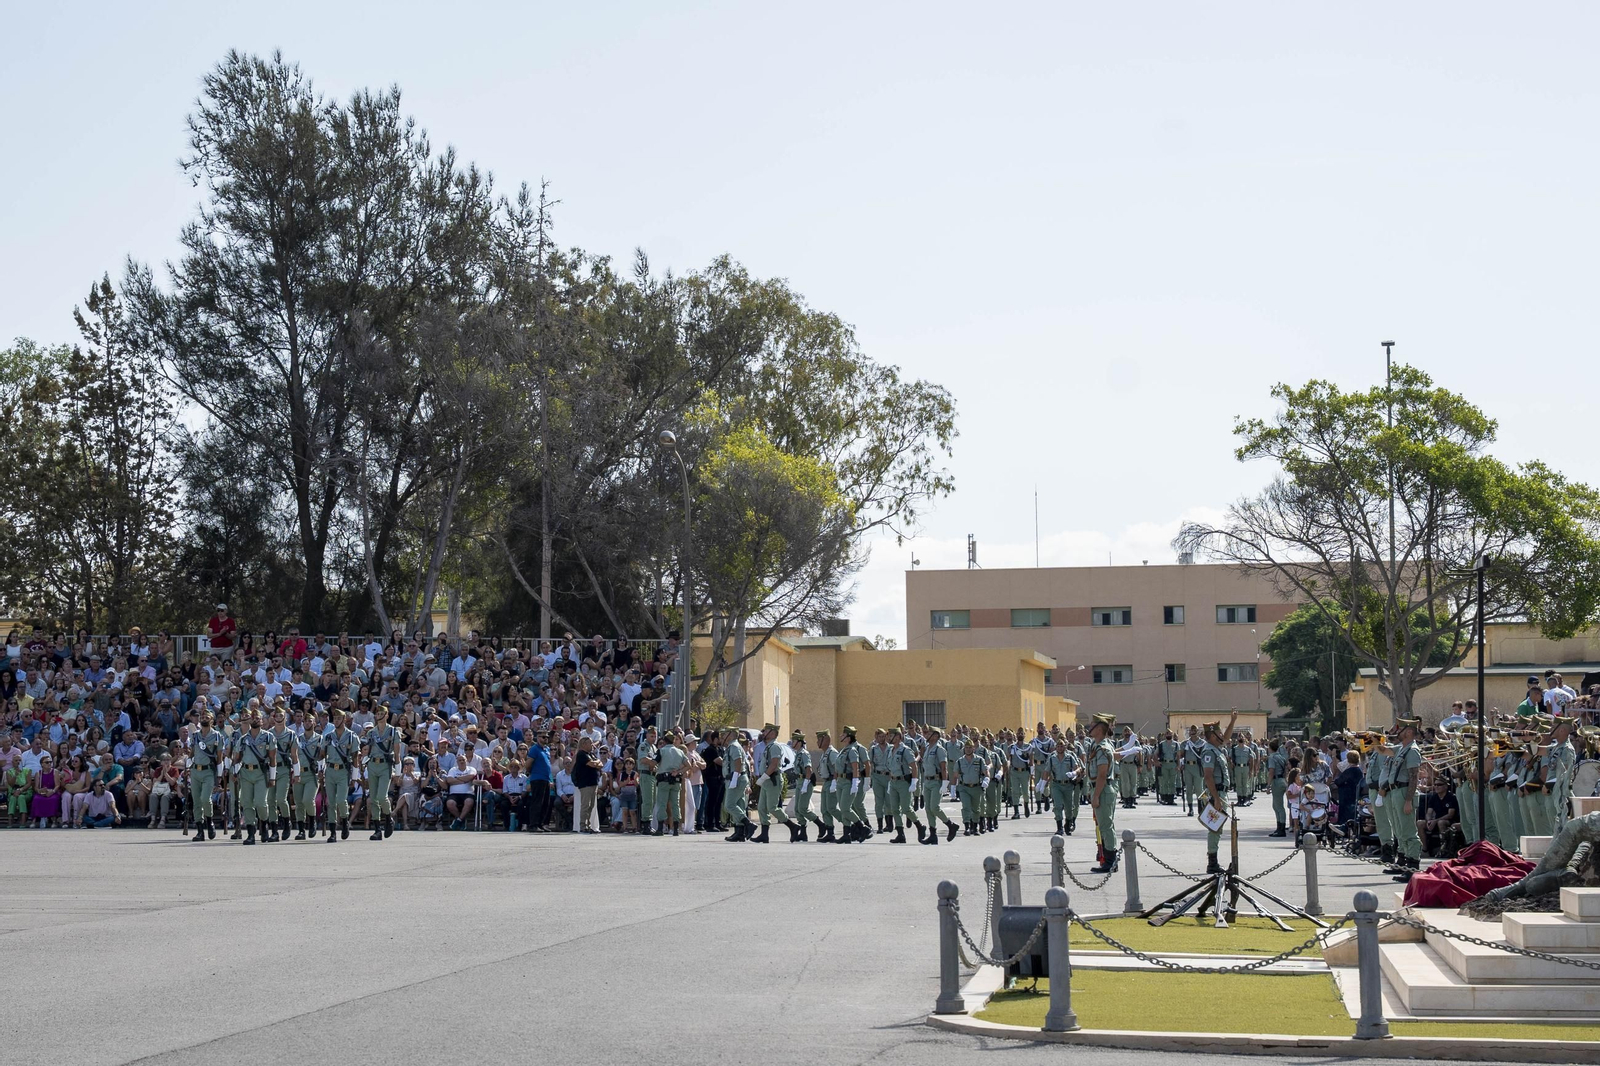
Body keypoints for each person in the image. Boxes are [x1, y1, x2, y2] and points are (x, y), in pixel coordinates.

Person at [1386, 717, 1425, 881]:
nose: (1398, 733)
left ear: (1409, 732)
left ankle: (1413, 866)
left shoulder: (1412, 750)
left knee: (1409, 831)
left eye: (1400, 730)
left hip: (1404, 792)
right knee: (1401, 831)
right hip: (1396, 791)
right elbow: (1383, 749)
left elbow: (1414, 777)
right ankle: (1406, 865)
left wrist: (1409, 800)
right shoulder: (1403, 748)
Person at [752, 724, 802, 842]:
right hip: (767, 780)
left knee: (773, 808)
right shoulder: (768, 746)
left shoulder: (775, 747)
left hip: (772, 780)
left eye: (767, 731)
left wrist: (763, 777)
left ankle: (793, 826)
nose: (764, 733)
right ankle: (764, 834)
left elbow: (774, 764)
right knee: (762, 808)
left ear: (773, 733)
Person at [232, 710, 275, 845]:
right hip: (245, 773)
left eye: (258, 717)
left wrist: (272, 777)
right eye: (253, 717)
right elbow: (237, 759)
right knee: (247, 803)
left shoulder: (268, 737)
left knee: (260, 803)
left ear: (262, 721)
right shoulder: (243, 739)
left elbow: (272, 759)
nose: (255, 719)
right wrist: (234, 772)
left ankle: (264, 823)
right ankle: (251, 833)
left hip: (261, 773)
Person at [1086, 713, 1119, 872]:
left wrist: (1096, 795)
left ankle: (1111, 861)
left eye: (1092, 724)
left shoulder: (1102, 748)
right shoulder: (1099, 745)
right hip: (1102, 788)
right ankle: (1108, 858)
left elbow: (1102, 774)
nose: (1089, 727)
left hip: (1103, 790)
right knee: (1105, 826)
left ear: (1099, 729)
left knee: (1106, 826)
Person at [363, 705, 400, 840]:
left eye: (381, 713)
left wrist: (399, 772)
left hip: (385, 766)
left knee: (381, 796)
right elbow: (367, 749)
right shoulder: (371, 732)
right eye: (377, 713)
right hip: (372, 765)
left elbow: (397, 754)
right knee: (373, 798)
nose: (378, 715)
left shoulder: (393, 732)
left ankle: (389, 818)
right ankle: (377, 829)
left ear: (386, 715)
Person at [918, 725, 959, 844]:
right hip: (927, 781)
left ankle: (950, 825)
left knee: (934, 807)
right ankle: (933, 835)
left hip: (936, 781)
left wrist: (945, 783)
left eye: (930, 733)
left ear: (935, 736)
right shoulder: (927, 748)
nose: (926, 734)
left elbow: (943, 767)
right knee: (928, 809)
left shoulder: (939, 749)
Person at [323, 709, 359, 842]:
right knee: (330, 802)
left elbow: (355, 758)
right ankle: (332, 832)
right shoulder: (328, 736)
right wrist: (321, 770)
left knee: (341, 801)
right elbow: (323, 753)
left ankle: (344, 821)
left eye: (339, 718)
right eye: (335, 718)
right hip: (330, 770)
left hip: (344, 771)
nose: (336, 721)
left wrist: (354, 778)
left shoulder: (351, 736)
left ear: (345, 720)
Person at [188, 712, 223, 841]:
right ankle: (200, 830)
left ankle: (209, 821)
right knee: (196, 801)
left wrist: (219, 775)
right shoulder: (195, 735)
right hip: (195, 771)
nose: (204, 719)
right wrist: (188, 762)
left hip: (208, 771)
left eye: (207, 717)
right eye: (202, 717)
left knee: (205, 799)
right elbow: (192, 753)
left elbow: (219, 758)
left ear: (212, 720)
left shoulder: (217, 736)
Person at [654, 729, 689, 837]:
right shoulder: (680, 751)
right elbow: (688, 766)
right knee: (676, 804)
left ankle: (660, 828)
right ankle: (675, 829)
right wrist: (678, 771)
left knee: (662, 803)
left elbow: (655, 761)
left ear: (664, 741)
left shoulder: (662, 750)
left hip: (664, 780)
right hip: (676, 780)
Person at [1044, 736, 1081, 836]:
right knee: (1058, 806)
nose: (1060, 748)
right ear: (1056, 748)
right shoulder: (1052, 759)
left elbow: (1078, 768)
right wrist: (1043, 783)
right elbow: (1047, 771)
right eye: (1058, 746)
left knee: (1069, 808)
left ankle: (1068, 823)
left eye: (1062, 746)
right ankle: (1059, 827)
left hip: (1068, 785)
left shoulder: (1070, 758)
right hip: (1056, 785)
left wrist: (1074, 773)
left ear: (1065, 747)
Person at [1417, 774, 1460, 858]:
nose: (1436, 786)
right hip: (1435, 821)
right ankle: (1424, 850)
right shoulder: (1434, 797)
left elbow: (1450, 815)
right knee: (1420, 823)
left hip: (1448, 822)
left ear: (1446, 786)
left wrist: (1435, 821)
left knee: (1441, 822)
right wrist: (1429, 820)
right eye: (1435, 784)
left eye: (1439, 784)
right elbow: (1429, 812)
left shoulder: (1451, 797)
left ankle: (1444, 849)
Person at [721, 728, 752, 841]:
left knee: (729, 805)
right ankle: (739, 832)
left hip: (736, 778)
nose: (723, 736)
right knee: (738, 805)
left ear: (730, 735)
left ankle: (748, 824)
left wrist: (734, 779)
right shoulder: (732, 746)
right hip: (738, 777)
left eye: (725, 734)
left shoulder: (733, 746)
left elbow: (738, 762)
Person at [1267, 738, 1290, 837]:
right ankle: (1279, 827)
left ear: (1270, 748)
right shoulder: (1280, 757)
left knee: (1278, 806)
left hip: (1276, 781)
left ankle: (1281, 828)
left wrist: (1268, 785)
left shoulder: (1272, 757)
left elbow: (1271, 771)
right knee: (1276, 806)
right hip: (1282, 780)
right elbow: (1285, 769)